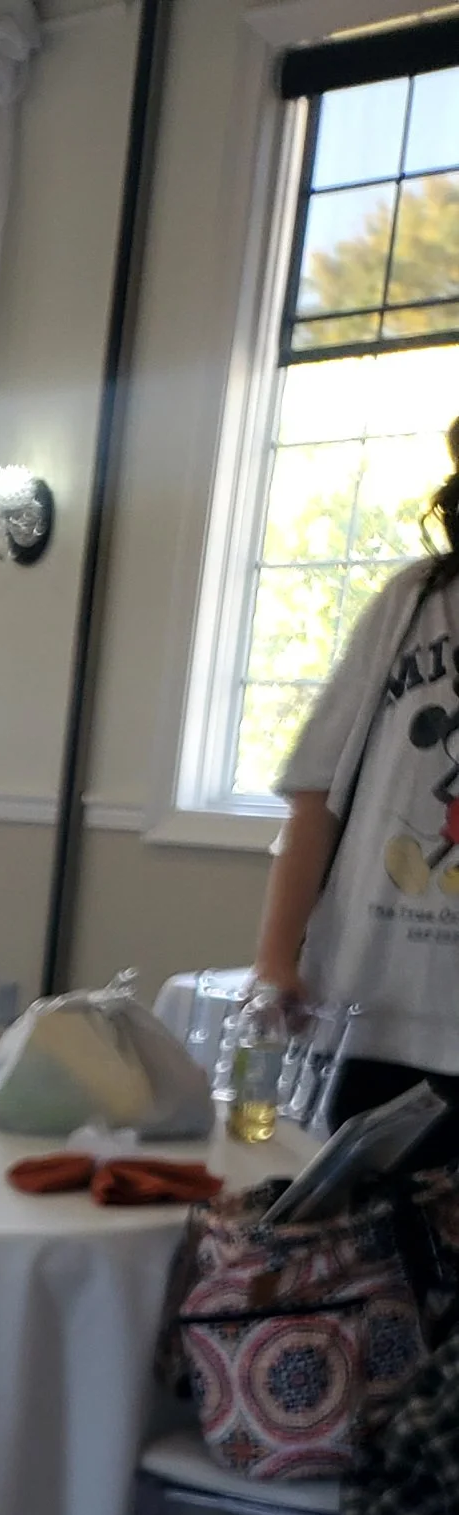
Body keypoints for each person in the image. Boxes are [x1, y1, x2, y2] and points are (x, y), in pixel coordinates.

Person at [257, 420, 459, 1123]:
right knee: (341, 1228)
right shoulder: (412, 603)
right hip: (367, 1011)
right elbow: (316, 795)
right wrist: (276, 958)